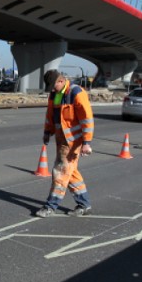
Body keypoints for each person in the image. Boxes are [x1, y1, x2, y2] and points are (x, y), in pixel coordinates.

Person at [36, 69, 94, 217]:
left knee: (61, 171)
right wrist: (47, 132)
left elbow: (87, 119)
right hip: (61, 139)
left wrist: (87, 142)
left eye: (53, 86)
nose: (52, 90)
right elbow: (51, 114)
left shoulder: (76, 93)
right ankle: (84, 204)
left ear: (61, 81)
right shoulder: (55, 94)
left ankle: (50, 206)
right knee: (71, 172)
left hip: (73, 141)